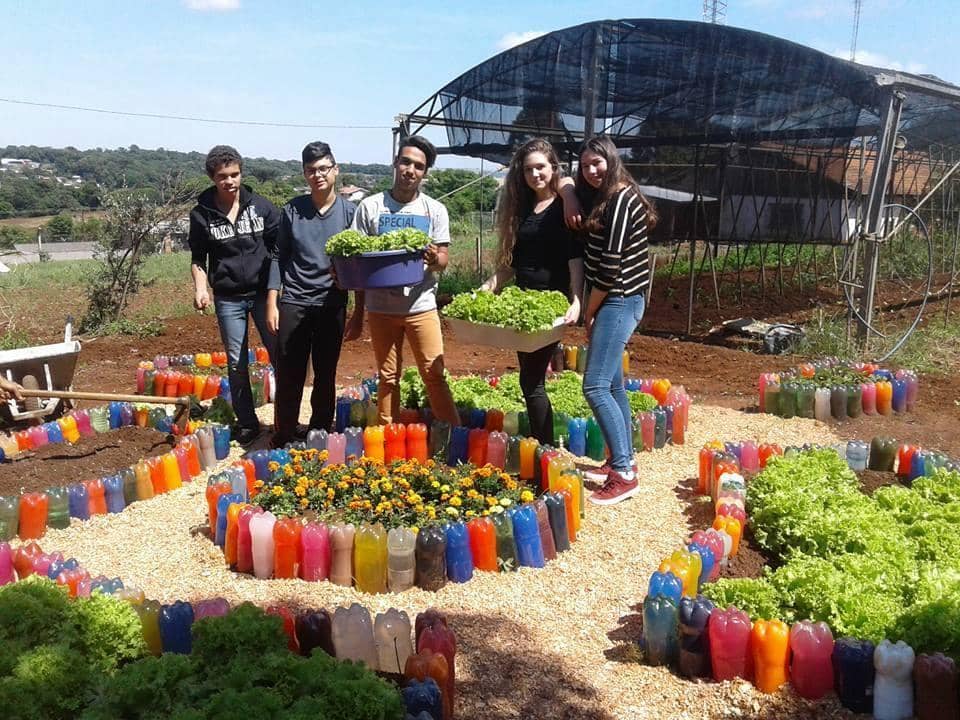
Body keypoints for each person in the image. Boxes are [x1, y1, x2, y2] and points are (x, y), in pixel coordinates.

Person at [348, 136, 459, 427]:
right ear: (396, 163)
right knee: (387, 377)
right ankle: (388, 436)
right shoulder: (370, 207)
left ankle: (452, 436)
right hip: (380, 307)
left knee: (434, 374)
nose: (410, 169)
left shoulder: (434, 210)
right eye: (406, 162)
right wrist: (358, 312)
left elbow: (444, 257)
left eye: (419, 166)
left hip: (421, 306)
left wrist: (435, 258)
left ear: (425, 172)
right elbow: (356, 262)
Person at [480, 138, 583, 445]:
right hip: (524, 306)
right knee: (530, 378)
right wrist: (490, 285)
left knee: (531, 380)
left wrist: (576, 298)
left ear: (553, 167)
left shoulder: (564, 203)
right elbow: (513, 263)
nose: (535, 174)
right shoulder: (524, 208)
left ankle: (544, 449)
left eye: (541, 167)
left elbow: (573, 256)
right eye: (528, 169)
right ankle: (541, 445)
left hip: (549, 307)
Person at [575, 136, 658, 505]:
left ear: (612, 160)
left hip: (618, 299)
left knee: (593, 387)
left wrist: (588, 311)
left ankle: (624, 473)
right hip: (615, 299)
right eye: (585, 165)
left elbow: (609, 267)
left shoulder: (622, 199)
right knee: (613, 386)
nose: (592, 171)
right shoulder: (607, 196)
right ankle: (619, 460)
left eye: (598, 163)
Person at [266, 142, 358, 447]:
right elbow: (279, 255)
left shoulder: (349, 213)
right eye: (310, 170)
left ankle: (319, 430)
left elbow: (358, 261)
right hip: (294, 300)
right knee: (290, 370)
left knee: (325, 372)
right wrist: (272, 301)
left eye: (323, 168)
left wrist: (354, 297)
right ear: (304, 174)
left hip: (332, 302)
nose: (317, 175)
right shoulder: (293, 210)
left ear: (335, 170)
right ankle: (284, 431)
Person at [188, 145, 280, 446]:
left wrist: (277, 291)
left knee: (279, 353)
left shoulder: (261, 207)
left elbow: (280, 248)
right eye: (222, 176)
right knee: (236, 361)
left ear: (242, 172)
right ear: (213, 178)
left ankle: (286, 417)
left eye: (235, 174)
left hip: (264, 294)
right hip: (228, 297)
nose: (230, 181)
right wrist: (201, 288)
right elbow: (198, 257)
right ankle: (247, 422)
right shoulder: (202, 215)